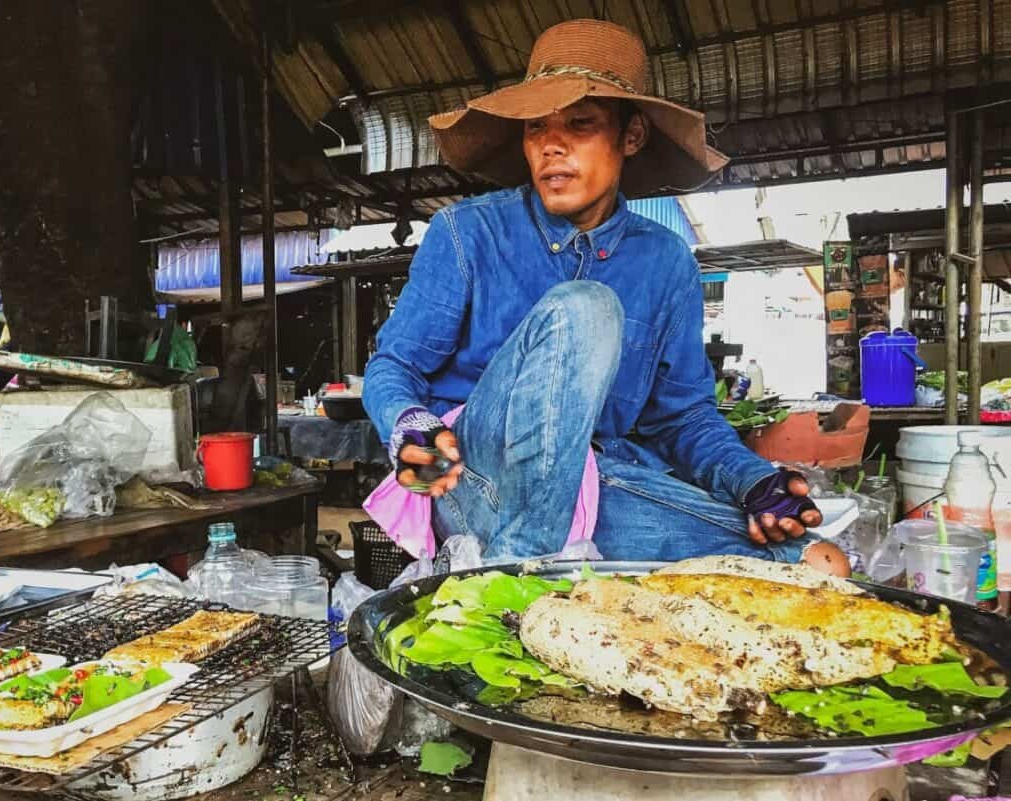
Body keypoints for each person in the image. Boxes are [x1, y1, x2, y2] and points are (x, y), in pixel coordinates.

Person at [362, 19, 848, 575]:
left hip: (593, 484)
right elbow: (394, 366)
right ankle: (523, 572)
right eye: (536, 128)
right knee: (585, 308)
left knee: (818, 566)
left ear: (631, 136)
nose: (551, 145)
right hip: (476, 480)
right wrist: (409, 424)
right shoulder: (467, 233)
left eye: (580, 123)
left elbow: (683, 417)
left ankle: (520, 577)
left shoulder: (666, 261)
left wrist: (753, 481)